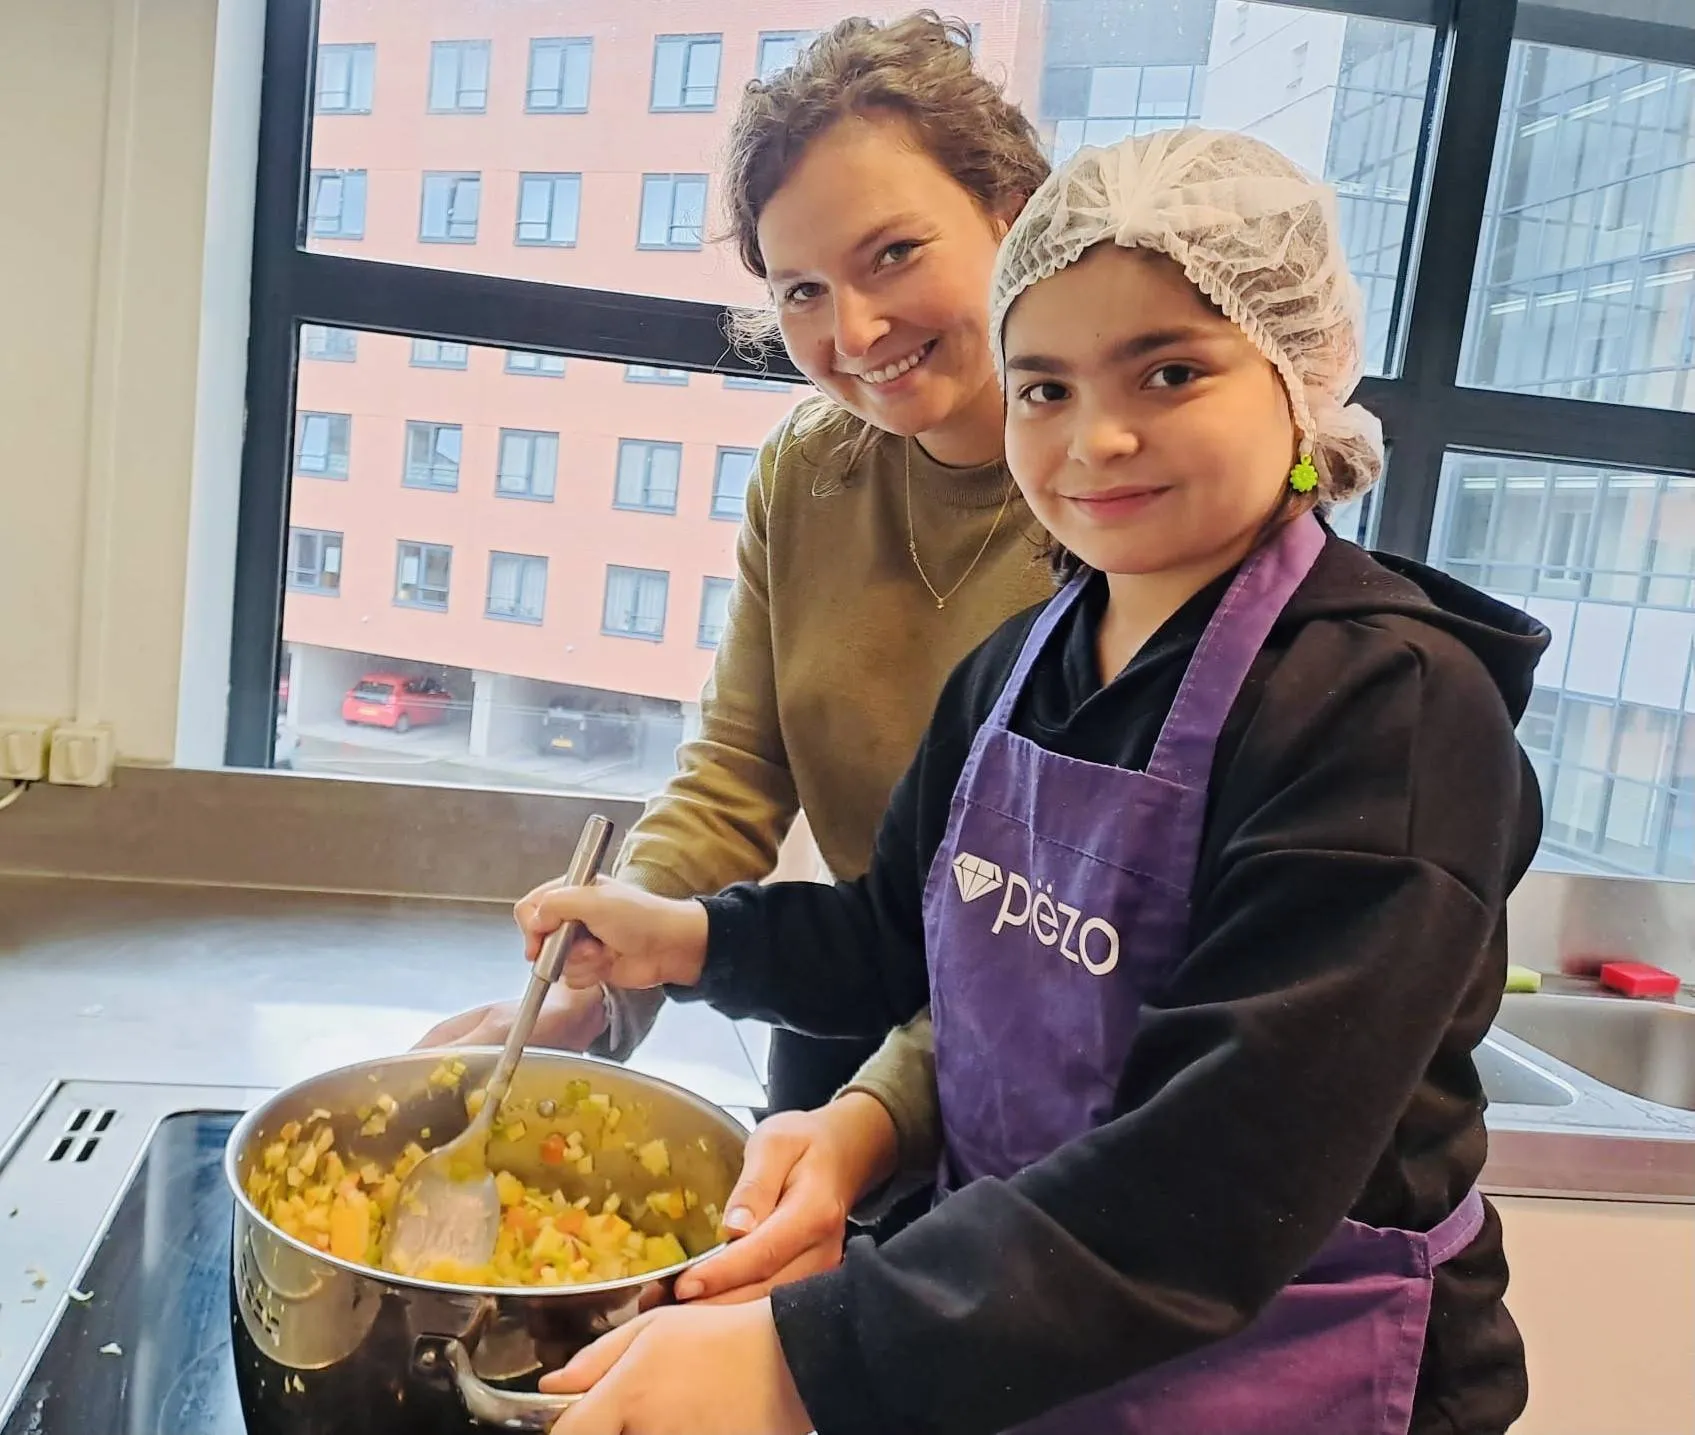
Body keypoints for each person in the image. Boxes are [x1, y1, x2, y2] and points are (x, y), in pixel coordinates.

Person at [520, 127, 1550, 1435]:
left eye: (1168, 370)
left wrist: (805, 1359)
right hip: (1037, 1323)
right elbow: (898, 940)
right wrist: (684, 937)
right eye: (1042, 387)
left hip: (1294, 1355)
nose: (1096, 438)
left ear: (1296, 377)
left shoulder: (1382, 711)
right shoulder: (1027, 658)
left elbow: (1215, 1180)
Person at [418, 12, 1054, 1227]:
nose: (854, 332)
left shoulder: (1114, 499)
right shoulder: (811, 473)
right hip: (847, 1012)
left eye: (894, 254)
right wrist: (601, 976)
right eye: (803, 288)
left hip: (1042, 1070)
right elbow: (733, 773)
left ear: (1014, 213)